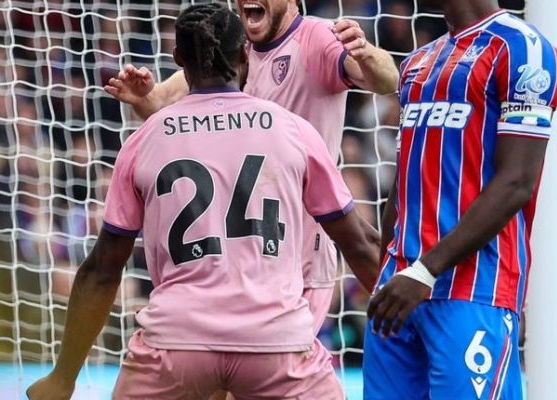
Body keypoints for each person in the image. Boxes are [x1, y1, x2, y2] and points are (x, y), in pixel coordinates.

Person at [26, 4, 381, 400]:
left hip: (177, 341)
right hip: (275, 339)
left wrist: (63, 378)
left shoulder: (145, 139)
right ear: (246, 54)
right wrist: (416, 317)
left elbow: (102, 269)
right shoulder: (293, 129)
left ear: (178, 60)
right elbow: (359, 243)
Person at [105, 0, 398, 335]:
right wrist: (142, 95)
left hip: (298, 250)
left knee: (272, 372)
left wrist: (364, 52)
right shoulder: (230, 48)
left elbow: (387, 80)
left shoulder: (314, 38)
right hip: (240, 250)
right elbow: (162, 107)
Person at [366, 0, 557, 399]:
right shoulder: (417, 63)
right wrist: (387, 270)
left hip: (475, 290)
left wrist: (424, 271)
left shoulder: (522, 49)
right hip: (398, 289)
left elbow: (516, 182)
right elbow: (404, 183)